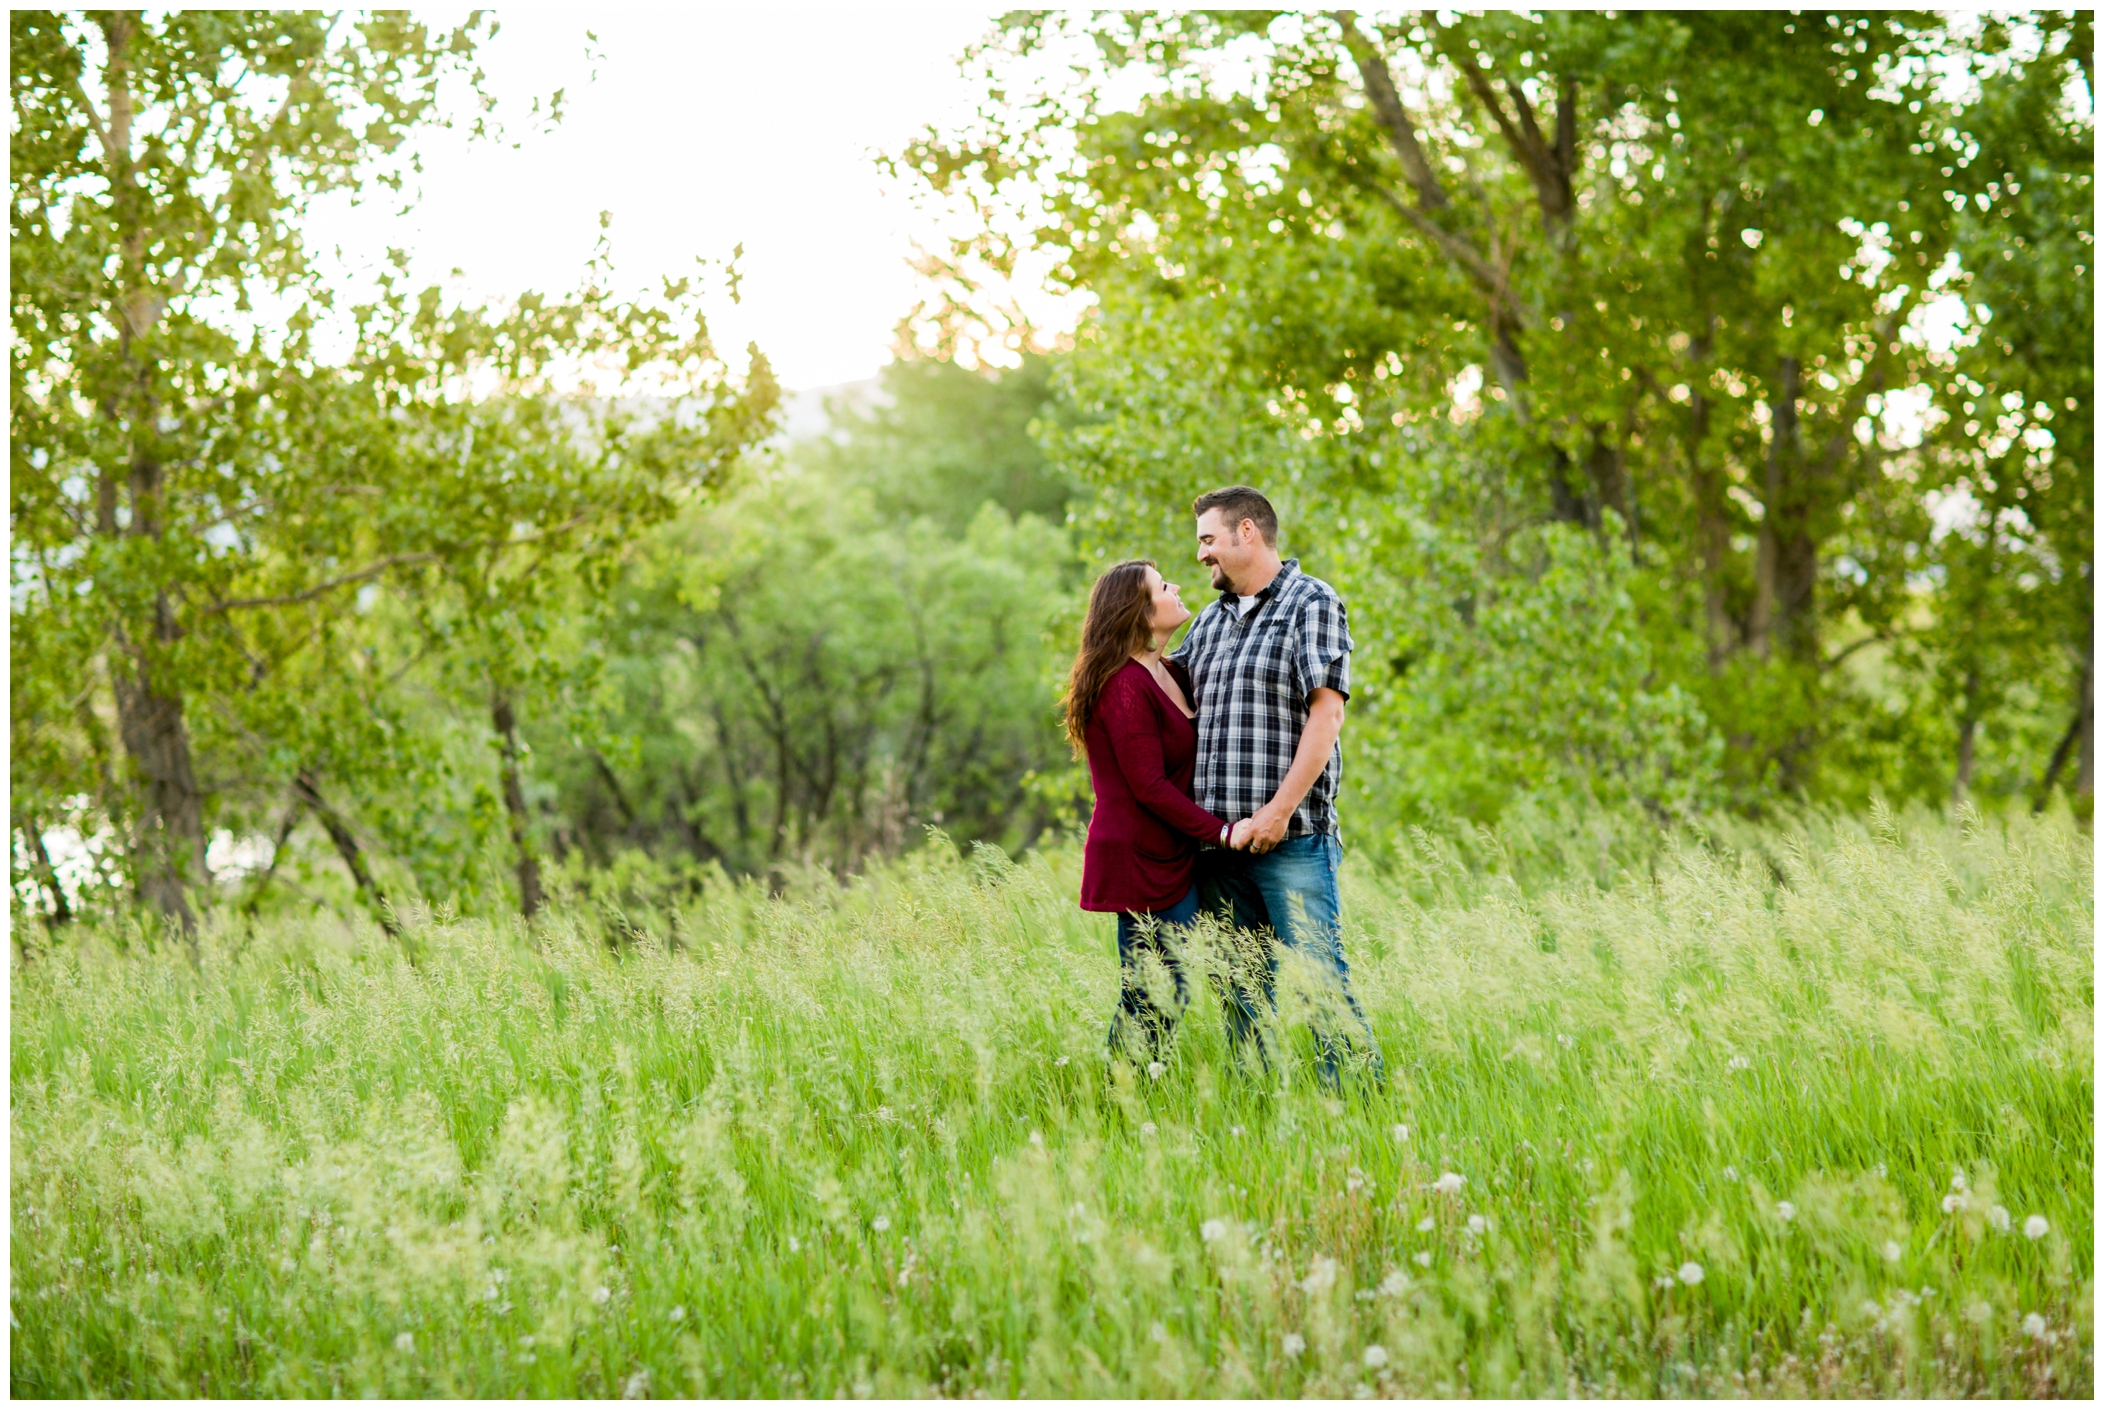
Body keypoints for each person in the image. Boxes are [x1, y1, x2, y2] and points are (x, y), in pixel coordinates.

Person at [1170, 485, 1383, 1089]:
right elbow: (1164, 701)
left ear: (1247, 533)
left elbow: (1327, 715)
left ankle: (1359, 1109)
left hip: (1293, 841)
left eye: (1208, 541)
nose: (1201, 555)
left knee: (1321, 984)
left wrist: (1277, 813)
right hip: (1218, 848)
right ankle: (1262, 1113)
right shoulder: (1208, 624)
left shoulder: (1310, 602)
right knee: (1241, 995)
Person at [1066, 559, 1236, 1062]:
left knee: (1166, 986)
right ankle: (1121, 1096)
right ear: (1139, 611)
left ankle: (1128, 1091)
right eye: (1163, 586)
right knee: (1159, 989)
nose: (1176, 586)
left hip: (1170, 850)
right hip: (1140, 855)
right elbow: (1149, 787)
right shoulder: (1124, 686)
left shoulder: (1165, 670)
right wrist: (1223, 832)